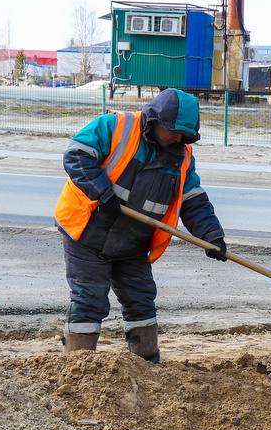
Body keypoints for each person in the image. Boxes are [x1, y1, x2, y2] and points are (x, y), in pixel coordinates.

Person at [53, 88, 228, 362]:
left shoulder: (181, 157)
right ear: (156, 120)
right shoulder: (116, 126)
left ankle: (147, 365)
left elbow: (193, 200)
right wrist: (101, 191)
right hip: (87, 231)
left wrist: (212, 236)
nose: (178, 138)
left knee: (141, 300)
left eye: (185, 134)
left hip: (132, 242)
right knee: (90, 299)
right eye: (174, 131)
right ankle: (78, 365)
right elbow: (76, 155)